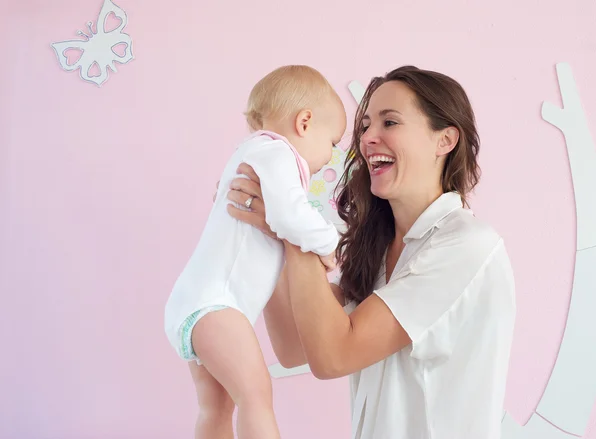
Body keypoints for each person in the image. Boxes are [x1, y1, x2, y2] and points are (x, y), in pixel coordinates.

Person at [225, 65, 517, 439]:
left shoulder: (466, 245)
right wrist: (269, 230)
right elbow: (293, 346)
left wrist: (289, 226)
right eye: (365, 126)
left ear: (445, 141)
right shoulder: (377, 250)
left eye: (390, 123)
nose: (367, 139)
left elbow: (334, 355)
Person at [164, 65, 346, 439]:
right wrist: (329, 244)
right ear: (305, 122)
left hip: (196, 304)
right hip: (216, 306)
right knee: (256, 396)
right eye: (332, 142)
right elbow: (290, 214)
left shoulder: (253, 153)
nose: (331, 156)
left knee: (217, 406)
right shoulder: (276, 153)